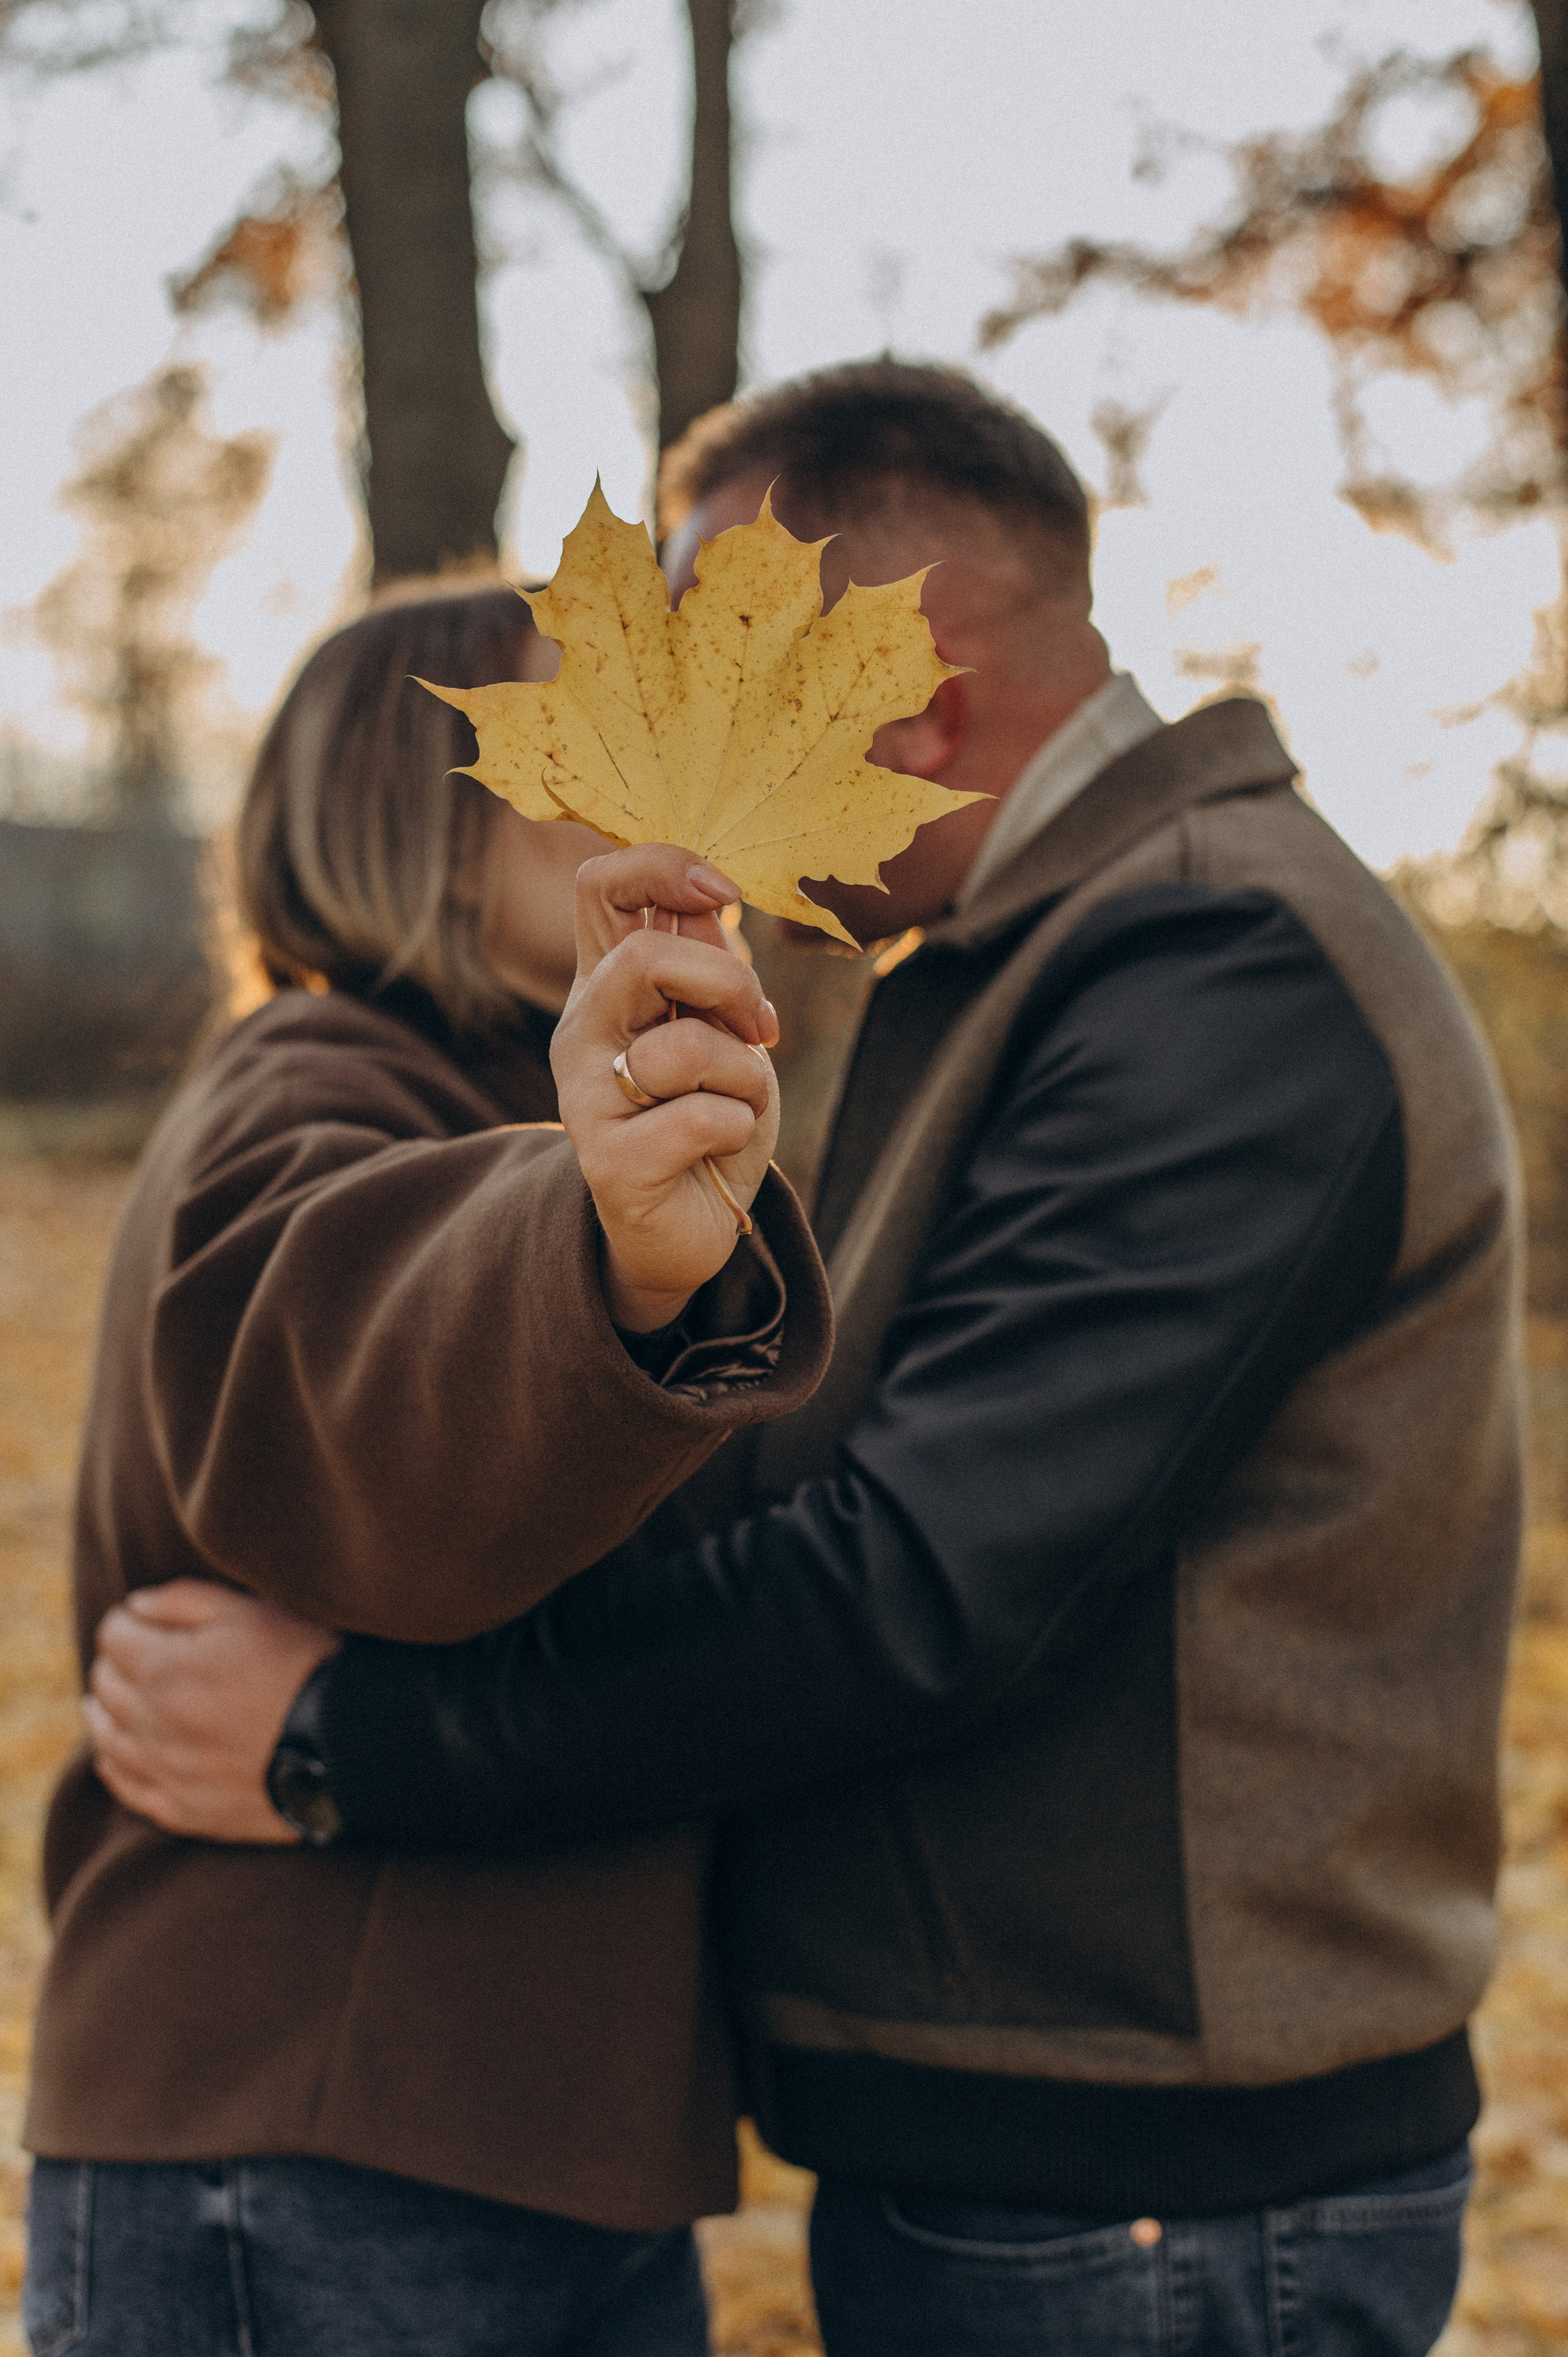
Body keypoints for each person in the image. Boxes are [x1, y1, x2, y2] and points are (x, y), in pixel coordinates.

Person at [86, 362, 1522, 2357]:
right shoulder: (1024, 962)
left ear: (920, 701)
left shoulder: (1207, 972)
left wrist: (354, 1746)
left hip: (1142, 2176)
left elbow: (913, 1578)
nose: (660, 754)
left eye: (736, 676)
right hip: (1045, 2140)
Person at [21, 583, 833, 2357]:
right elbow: (352, 1406)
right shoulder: (311, 1077)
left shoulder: (525, 1094)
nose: (633, 768)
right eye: (568, 732)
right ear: (411, 792)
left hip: (504, 2139)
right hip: (317, 2140)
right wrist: (601, 1248)